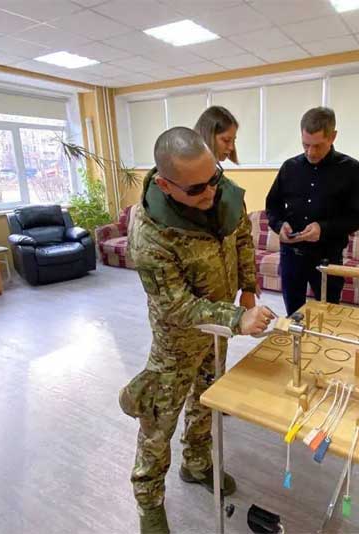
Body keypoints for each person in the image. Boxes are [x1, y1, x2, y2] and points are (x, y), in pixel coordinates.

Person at [119, 127, 275, 534]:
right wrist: (237, 320)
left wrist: (249, 286)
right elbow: (175, 305)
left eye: (214, 179)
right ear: (167, 185)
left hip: (216, 332)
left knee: (207, 399)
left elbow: (242, 236)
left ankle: (196, 463)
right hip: (178, 339)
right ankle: (148, 500)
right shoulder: (150, 234)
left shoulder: (220, 190)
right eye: (196, 189)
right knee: (159, 420)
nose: (210, 193)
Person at [265, 107, 359, 316]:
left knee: (328, 315)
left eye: (318, 146)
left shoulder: (350, 169)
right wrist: (279, 226)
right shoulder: (289, 167)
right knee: (294, 316)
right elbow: (272, 206)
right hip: (291, 257)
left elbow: (358, 216)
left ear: (333, 137)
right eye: (305, 145)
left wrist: (323, 229)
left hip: (327, 259)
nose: (310, 152)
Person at [194, 105, 257, 311]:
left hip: (223, 303)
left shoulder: (228, 190)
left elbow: (243, 239)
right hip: (190, 311)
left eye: (233, 140)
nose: (230, 147)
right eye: (226, 140)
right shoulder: (177, 191)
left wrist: (248, 288)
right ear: (208, 136)